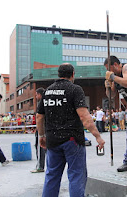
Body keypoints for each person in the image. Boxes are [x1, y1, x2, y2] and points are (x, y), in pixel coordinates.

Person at [37, 63, 105, 197]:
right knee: (76, 175)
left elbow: (39, 116)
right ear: (73, 74)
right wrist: (97, 136)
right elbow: (84, 116)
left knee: (52, 176)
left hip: (53, 140)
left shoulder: (47, 91)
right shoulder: (75, 89)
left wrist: (42, 135)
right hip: (72, 140)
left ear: (59, 74)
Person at [30, 87, 47, 173]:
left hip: (42, 129)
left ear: (40, 94)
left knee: (40, 147)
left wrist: (40, 132)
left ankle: (40, 166)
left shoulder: (41, 103)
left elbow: (39, 117)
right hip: (48, 128)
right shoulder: (48, 101)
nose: (36, 97)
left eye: (36, 95)